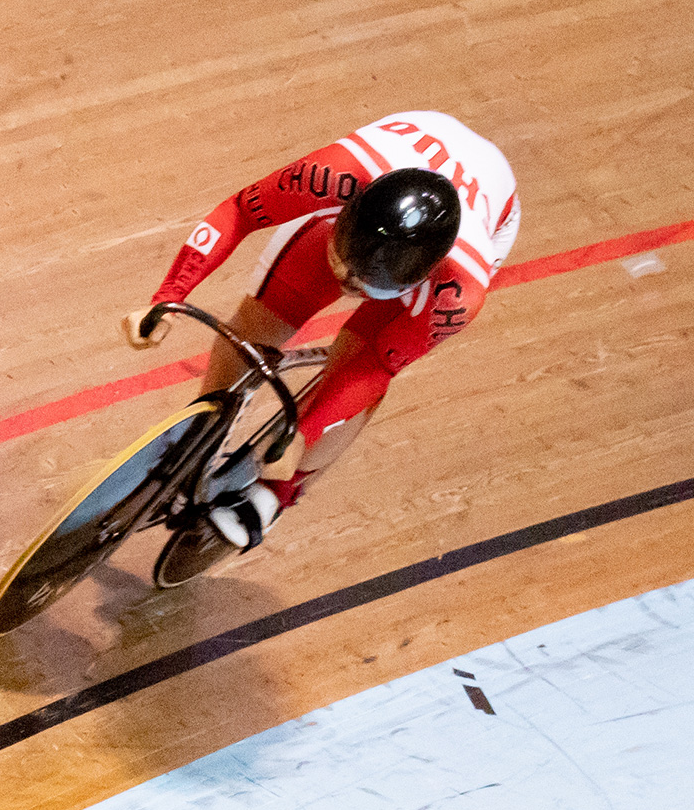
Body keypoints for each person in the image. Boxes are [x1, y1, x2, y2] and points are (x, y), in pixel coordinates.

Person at [126, 111, 520, 549]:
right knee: (259, 325)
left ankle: (278, 494)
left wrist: (303, 436)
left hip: (490, 221)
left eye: (369, 279)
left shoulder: (458, 291)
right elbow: (240, 212)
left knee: (358, 358)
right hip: (391, 169)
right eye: (347, 260)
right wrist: (169, 293)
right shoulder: (332, 174)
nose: (351, 283)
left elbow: (372, 370)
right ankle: (204, 431)